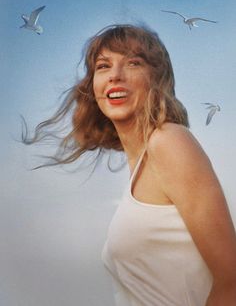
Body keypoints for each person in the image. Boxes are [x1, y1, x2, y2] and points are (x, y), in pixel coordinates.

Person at [24, 24, 236, 306]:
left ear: (156, 78)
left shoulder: (169, 141)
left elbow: (231, 280)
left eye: (133, 63)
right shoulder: (142, 165)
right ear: (93, 86)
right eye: (103, 66)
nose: (115, 76)